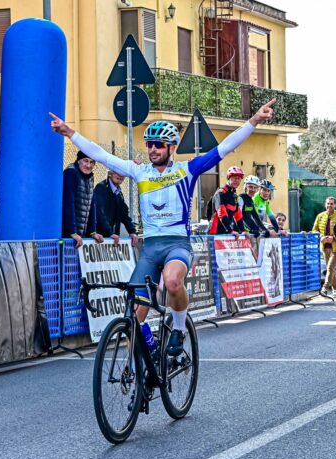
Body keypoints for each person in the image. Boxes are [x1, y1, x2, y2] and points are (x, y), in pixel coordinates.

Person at [50, 98, 276, 356]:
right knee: (134, 317)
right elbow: (101, 155)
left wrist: (254, 120)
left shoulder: (187, 170)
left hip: (177, 244)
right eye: (149, 144)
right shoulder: (140, 171)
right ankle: (144, 359)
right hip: (150, 248)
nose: (153, 149)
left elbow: (224, 147)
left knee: (172, 281)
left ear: (172, 147)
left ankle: (178, 328)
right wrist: (70, 133)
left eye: (159, 144)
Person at [63, 151, 103, 248]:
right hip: (68, 234)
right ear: (79, 161)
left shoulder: (90, 176)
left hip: (80, 234)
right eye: (86, 161)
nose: (89, 165)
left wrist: (93, 232)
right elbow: (68, 203)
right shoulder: (71, 173)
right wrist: (72, 232)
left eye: (92, 162)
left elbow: (91, 205)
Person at [93, 170, 139, 246]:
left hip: (113, 237)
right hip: (100, 238)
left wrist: (132, 232)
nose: (120, 176)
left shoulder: (119, 192)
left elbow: (124, 214)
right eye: (117, 172)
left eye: (123, 173)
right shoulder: (101, 188)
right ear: (110, 174)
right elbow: (99, 213)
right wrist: (109, 233)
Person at [312, 197, 336, 295]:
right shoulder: (320, 216)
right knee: (330, 268)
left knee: (330, 267)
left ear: (335, 205)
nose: (329, 205)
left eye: (331, 204)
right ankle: (335, 289)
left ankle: (325, 287)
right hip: (324, 247)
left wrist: (334, 238)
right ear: (325, 204)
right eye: (328, 203)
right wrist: (321, 237)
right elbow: (314, 230)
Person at [209, 167, 246, 235]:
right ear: (229, 178)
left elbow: (238, 214)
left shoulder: (234, 195)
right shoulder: (221, 193)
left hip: (226, 232)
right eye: (234, 177)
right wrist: (230, 230)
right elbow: (222, 213)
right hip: (215, 232)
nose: (236, 180)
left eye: (239, 178)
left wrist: (243, 230)